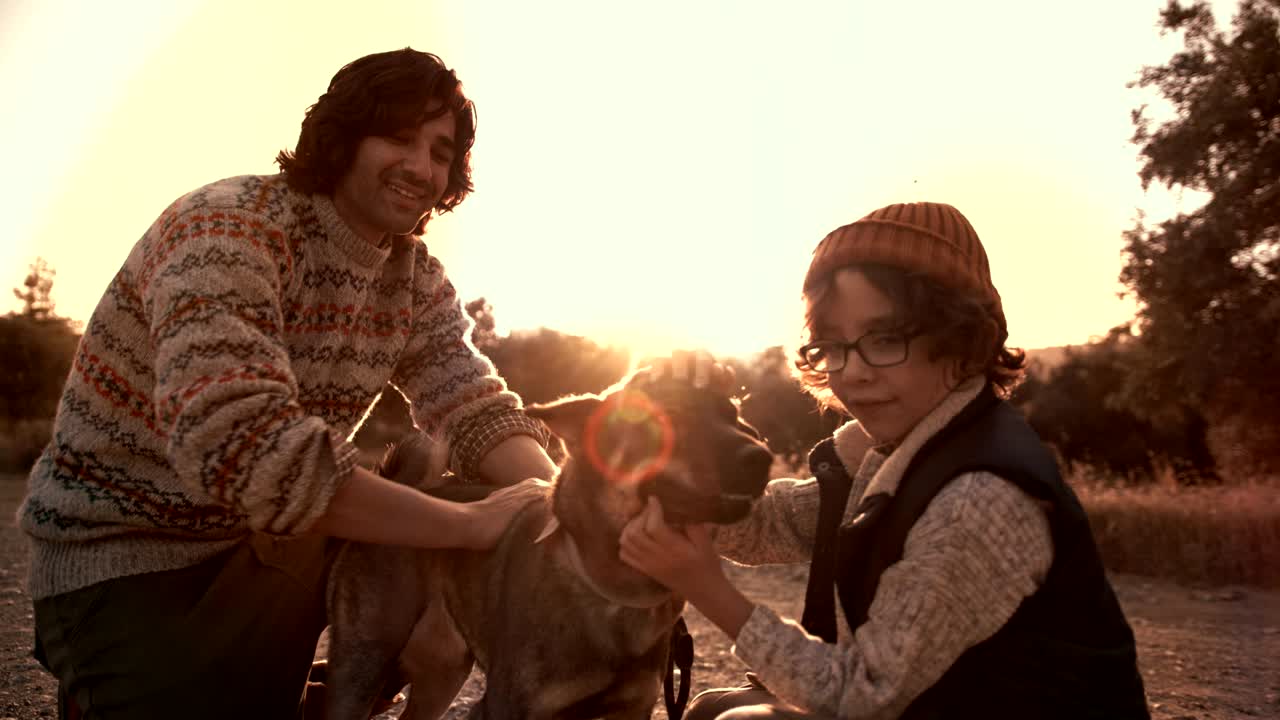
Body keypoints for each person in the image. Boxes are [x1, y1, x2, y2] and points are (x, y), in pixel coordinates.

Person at [18, 48, 557, 720]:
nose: (421, 167)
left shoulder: (413, 277)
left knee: (452, 472)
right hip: (128, 560)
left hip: (271, 548)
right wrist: (472, 526)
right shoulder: (228, 226)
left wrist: (559, 506)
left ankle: (336, 688)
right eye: (397, 136)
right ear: (341, 135)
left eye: (440, 151)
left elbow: (475, 407)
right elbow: (246, 448)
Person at [621, 202, 1150, 719]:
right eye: (832, 346)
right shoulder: (899, 450)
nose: (852, 372)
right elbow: (765, 526)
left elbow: (862, 696)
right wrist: (677, 411)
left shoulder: (978, 497)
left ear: (962, 339)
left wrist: (707, 589)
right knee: (715, 706)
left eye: (885, 339)